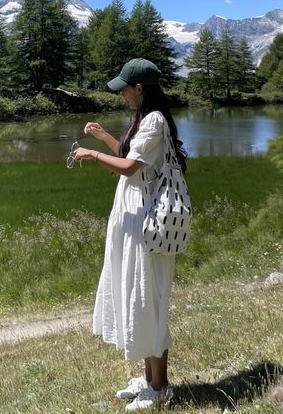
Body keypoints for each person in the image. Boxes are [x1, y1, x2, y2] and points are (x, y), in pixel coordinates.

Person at [72, 58, 188, 411]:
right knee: (137, 294)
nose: (121, 93)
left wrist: (90, 153)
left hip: (146, 222)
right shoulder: (146, 119)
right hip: (135, 217)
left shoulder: (153, 121)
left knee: (148, 298)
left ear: (140, 89)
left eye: (124, 88)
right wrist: (104, 136)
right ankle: (148, 378)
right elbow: (130, 157)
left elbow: (130, 167)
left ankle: (161, 386)